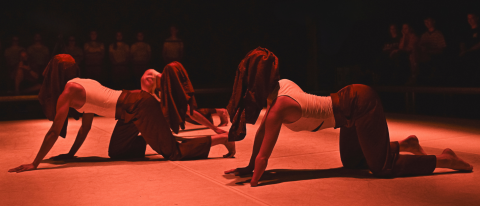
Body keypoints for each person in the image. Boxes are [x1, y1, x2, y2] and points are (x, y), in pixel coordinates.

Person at [224, 47, 473, 187]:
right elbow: (262, 133)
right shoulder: (281, 87)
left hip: (359, 103)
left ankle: (443, 159)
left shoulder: (280, 106)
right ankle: (405, 144)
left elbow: (265, 154)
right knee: (353, 163)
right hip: (347, 109)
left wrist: (255, 179)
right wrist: (248, 166)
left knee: (381, 168)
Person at [8, 54, 235, 173]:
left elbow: (54, 131)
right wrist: (71, 154)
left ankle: (223, 138)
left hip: (139, 105)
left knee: (173, 152)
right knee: (117, 151)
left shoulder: (71, 90)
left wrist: (35, 163)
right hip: (128, 111)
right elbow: (85, 126)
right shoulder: (81, 83)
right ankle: (155, 137)